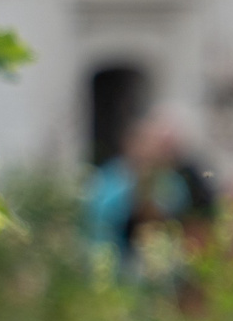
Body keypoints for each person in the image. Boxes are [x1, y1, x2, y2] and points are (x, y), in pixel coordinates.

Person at [84, 110, 217, 272]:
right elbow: (102, 218)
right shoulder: (113, 178)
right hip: (115, 258)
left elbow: (182, 214)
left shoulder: (171, 181)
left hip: (162, 263)